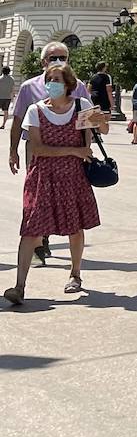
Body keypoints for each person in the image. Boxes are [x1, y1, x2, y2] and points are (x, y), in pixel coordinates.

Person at [4, 62, 105, 304]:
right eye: (49, 79)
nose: (52, 84)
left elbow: (93, 141)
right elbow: (38, 148)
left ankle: (75, 274)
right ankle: (19, 286)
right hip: (42, 177)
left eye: (57, 79)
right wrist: (73, 151)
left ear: (69, 84)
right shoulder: (35, 110)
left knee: (74, 227)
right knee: (30, 228)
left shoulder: (82, 106)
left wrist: (101, 121)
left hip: (73, 178)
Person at [8, 42, 91, 264]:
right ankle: (40, 242)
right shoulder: (29, 87)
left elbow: (89, 119)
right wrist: (12, 150)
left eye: (63, 57)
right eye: (53, 57)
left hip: (70, 156)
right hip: (37, 151)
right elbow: (17, 120)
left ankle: (72, 264)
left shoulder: (79, 86)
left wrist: (85, 146)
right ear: (43, 61)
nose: (58, 61)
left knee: (67, 201)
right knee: (37, 198)